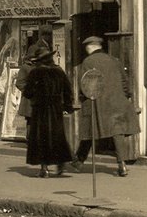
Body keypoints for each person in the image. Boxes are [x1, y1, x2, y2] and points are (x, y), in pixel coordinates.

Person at [73, 35, 135, 176]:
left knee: (89, 131)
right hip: (117, 102)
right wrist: (126, 96)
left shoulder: (88, 61)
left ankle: (78, 161)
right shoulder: (114, 60)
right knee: (117, 133)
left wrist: (83, 99)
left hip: (97, 102)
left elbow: (85, 85)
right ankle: (122, 164)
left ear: (90, 47)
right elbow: (125, 82)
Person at [15, 39, 74, 177]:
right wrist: (67, 106)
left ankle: (44, 168)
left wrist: (34, 95)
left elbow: (28, 92)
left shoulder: (36, 73)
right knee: (57, 136)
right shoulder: (59, 71)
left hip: (40, 110)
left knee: (41, 138)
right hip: (55, 109)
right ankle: (60, 163)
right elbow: (67, 90)